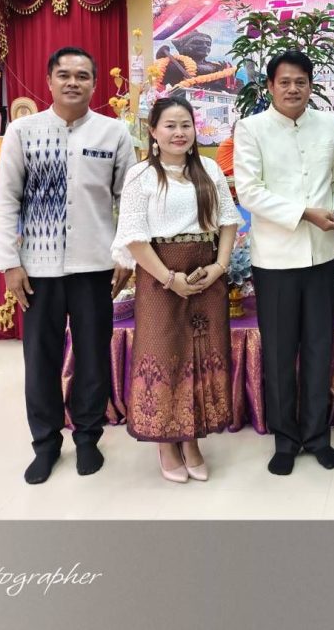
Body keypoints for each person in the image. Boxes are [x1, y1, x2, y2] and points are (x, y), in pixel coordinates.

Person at [0, 47, 137, 485]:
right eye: (64, 74)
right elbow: (6, 199)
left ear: (94, 83)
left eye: (82, 75)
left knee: (93, 356)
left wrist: (125, 255)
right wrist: (9, 263)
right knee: (41, 360)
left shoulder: (113, 133)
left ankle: (88, 438)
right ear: (49, 80)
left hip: (95, 267)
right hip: (37, 270)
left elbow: (130, 201)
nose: (73, 82)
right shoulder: (23, 132)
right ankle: (46, 443)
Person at [234, 51, 334, 475]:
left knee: (320, 348)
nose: (293, 89)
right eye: (284, 82)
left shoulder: (328, 124)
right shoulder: (251, 129)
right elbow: (249, 191)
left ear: (310, 85)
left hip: (323, 254)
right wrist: (305, 213)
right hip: (276, 259)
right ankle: (285, 440)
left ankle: (317, 436)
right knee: (280, 352)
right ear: (270, 86)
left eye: (301, 81)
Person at [111, 96, 239, 482]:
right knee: (164, 353)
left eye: (186, 125)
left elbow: (228, 221)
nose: (179, 133)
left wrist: (219, 266)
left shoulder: (210, 169)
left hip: (206, 274)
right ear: (153, 131)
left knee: (201, 353)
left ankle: (192, 437)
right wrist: (169, 279)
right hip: (159, 275)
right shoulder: (141, 175)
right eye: (169, 125)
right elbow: (134, 237)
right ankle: (166, 441)